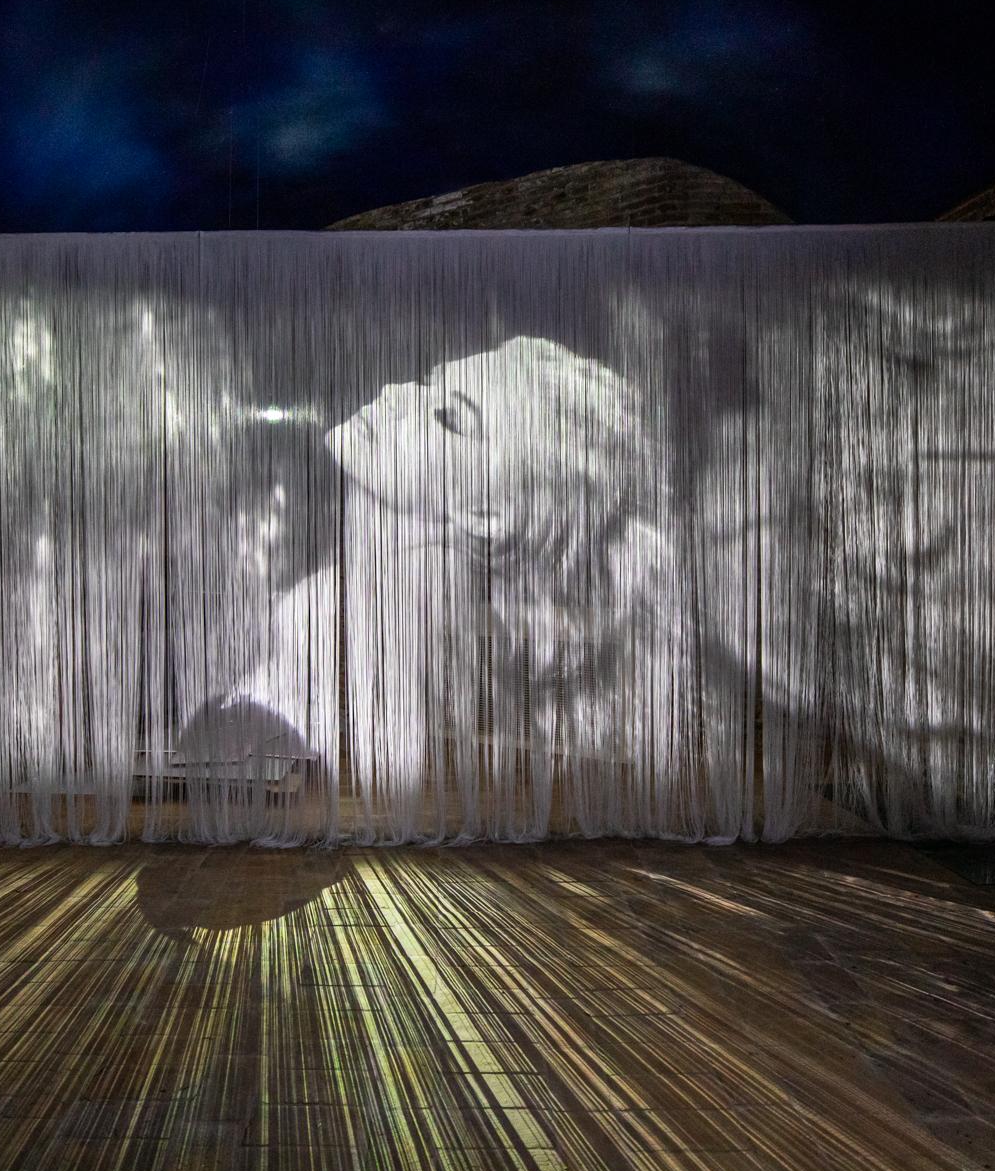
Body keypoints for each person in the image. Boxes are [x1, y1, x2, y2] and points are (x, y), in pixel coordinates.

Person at [195, 335, 725, 841]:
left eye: (450, 418)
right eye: (429, 383)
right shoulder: (330, 594)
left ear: (487, 512)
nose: (395, 393)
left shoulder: (353, 615)